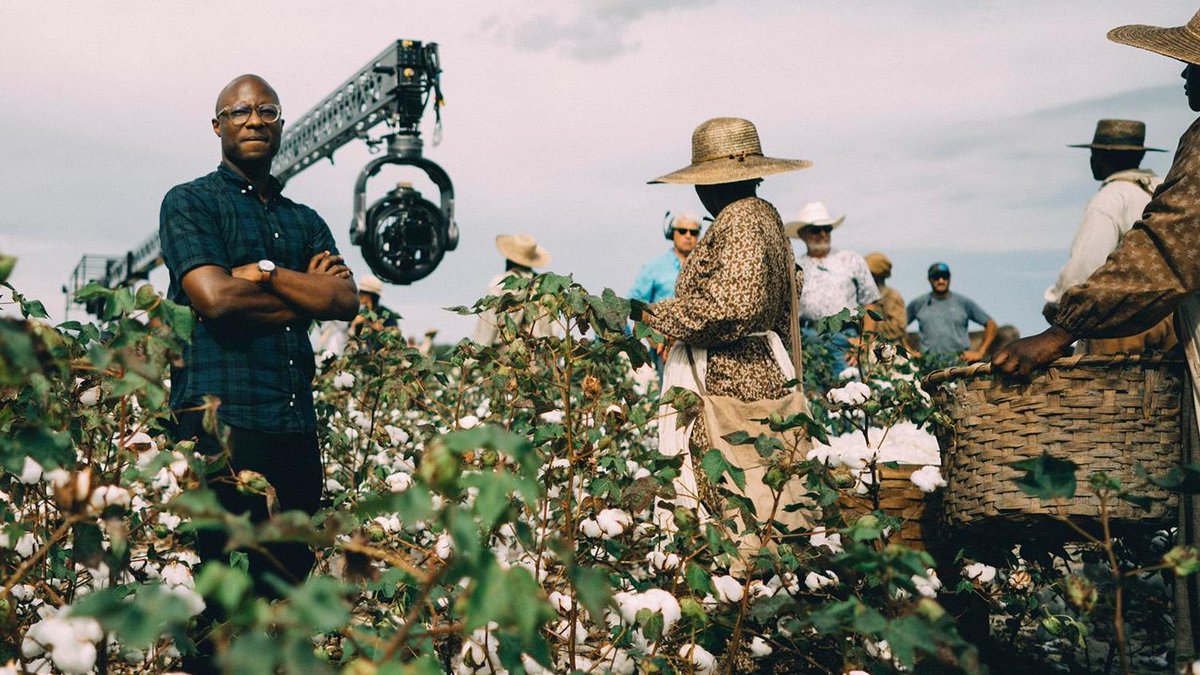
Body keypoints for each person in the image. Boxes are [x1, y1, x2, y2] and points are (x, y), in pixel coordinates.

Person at [993, 11, 1200, 661]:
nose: (1185, 75)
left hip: (1120, 324)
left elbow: (1163, 253)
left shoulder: (1115, 197)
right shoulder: (1146, 185)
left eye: (1195, 64)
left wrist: (1060, 330)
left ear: (1106, 158)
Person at [159, 74, 358, 671]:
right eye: (238, 111)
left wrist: (264, 274)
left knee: (285, 599)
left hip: (294, 429)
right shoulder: (190, 202)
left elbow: (345, 301)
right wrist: (307, 291)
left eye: (266, 110)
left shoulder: (305, 220)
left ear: (280, 124)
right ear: (217, 126)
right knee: (221, 600)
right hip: (221, 428)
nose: (253, 120)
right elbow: (215, 298)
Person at [638, 116, 810, 512]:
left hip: (729, 374)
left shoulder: (741, 221)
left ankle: (730, 568)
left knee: (728, 485)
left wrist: (657, 315)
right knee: (763, 480)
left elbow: (732, 308)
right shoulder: (766, 218)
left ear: (709, 182)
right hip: (761, 365)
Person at [1044, 119, 1175, 355]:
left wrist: (1057, 306)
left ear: (1104, 157)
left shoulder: (1110, 198)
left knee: (1112, 390)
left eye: (1094, 154)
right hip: (1175, 319)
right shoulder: (1164, 189)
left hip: (1125, 323)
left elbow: (1085, 268)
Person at [787, 201, 880, 375]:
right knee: (811, 398)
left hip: (846, 339)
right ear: (802, 234)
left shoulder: (852, 260)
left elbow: (870, 302)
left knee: (851, 396)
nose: (822, 234)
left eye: (827, 228)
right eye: (816, 230)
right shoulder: (794, 267)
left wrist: (863, 342)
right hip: (807, 341)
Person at [629, 211, 703, 375]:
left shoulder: (705, 266)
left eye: (694, 232)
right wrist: (652, 335)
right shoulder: (654, 267)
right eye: (682, 231)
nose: (688, 236)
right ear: (672, 233)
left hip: (699, 344)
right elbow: (634, 304)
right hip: (665, 346)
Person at [907, 262, 996, 365]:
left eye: (944, 276)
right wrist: (907, 351)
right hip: (927, 365)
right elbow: (896, 327)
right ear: (929, 279)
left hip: (959, 365)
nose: (941, 281)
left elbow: (991, 325)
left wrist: (980, 352)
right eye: (936, 277)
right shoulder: (918, 303)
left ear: (949, 278)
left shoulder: (963, 302)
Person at [471, 234, 554, 346]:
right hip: (538, 355)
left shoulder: (500, 283)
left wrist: (473, 359)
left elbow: (486, 328)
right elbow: (552, 330)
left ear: (509, 259)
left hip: (505, 354)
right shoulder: (545, 286)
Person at [864, 252, 908, 347]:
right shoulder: (864, 296)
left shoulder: (892, 296)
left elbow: (898, 327)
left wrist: (870, 327)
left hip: (888, 349)